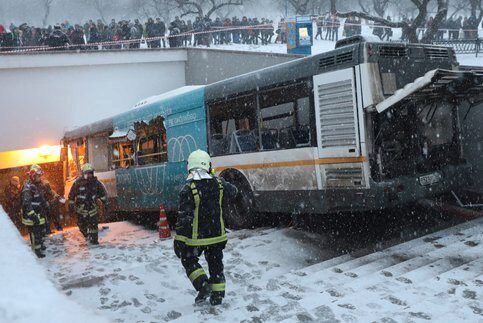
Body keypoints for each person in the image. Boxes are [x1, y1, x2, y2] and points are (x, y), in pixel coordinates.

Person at [174, 150, 238, 306]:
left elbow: (184, 218)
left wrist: (179, 240)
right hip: (218, 236)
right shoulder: (220, 184)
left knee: (188, 260)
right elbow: (235, 192)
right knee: (216, 265)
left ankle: (203, 284)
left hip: (198, 238)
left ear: (190, 167)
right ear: (208, 166)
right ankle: (217, 296)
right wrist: (218, 179)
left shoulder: (188, 189)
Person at [68, 163, 108, 245]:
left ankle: (94, 240)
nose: (89, 175)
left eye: (91, 173)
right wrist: (71, 205)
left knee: (94, 225)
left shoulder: (96, 183)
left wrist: (105, 203)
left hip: (92, 209)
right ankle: (86, 234)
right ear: (83, 174)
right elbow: (71, 195)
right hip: (81, 210)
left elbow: (102, 194)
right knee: (81, 226)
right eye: (87, 173)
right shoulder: (77, 183)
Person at [21, 165, 49, 258]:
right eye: (38, 176)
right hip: (31, 215)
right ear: (33, 176)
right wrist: (32, 215)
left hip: (39, 212)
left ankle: (40, 245)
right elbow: (26, 203)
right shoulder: (27, 187)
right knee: (35, 233)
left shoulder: (37, 185)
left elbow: (40, 197)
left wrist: (45, 204)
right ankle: (36, 250)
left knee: (41, 231)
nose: (39, 177)